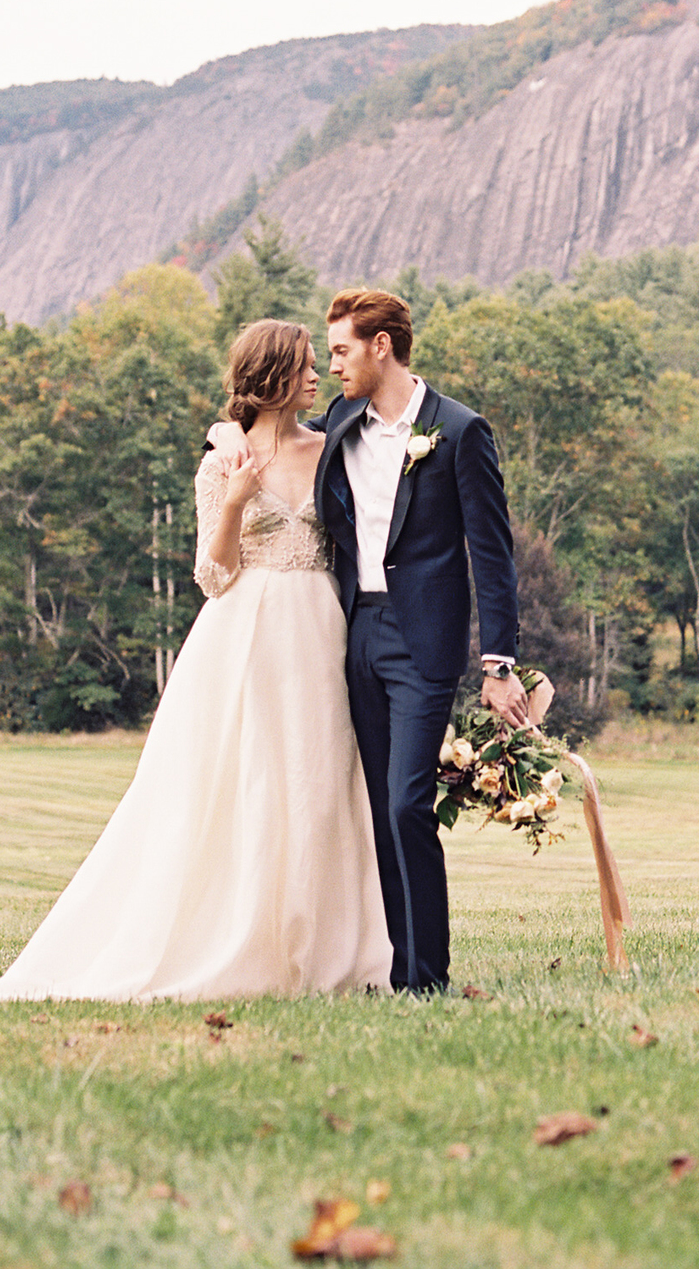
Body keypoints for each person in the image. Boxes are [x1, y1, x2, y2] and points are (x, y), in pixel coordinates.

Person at [0, 320, 390, 1004]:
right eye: (302, 365)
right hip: (246, 635)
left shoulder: (333, 450)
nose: (317, 375)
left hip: (323, 630)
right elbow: (213, 573)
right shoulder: (220, 465)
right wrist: (235, 502)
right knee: (241, 784)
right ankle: (243, 944)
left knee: (320, 784)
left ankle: (330, 950)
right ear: (270, 376)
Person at [218, 287, 525, 995]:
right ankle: (399, 971)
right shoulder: (342, 422)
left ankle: (430, 978)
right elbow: (259, 427)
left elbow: (493, 552)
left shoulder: (459, 430)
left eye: (341, 351)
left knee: (406, 803)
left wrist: (500, 661)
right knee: (376, 813)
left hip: (424, 644)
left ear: (379, 346)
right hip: (351, 636)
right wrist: (224, 433)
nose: (330, 368)